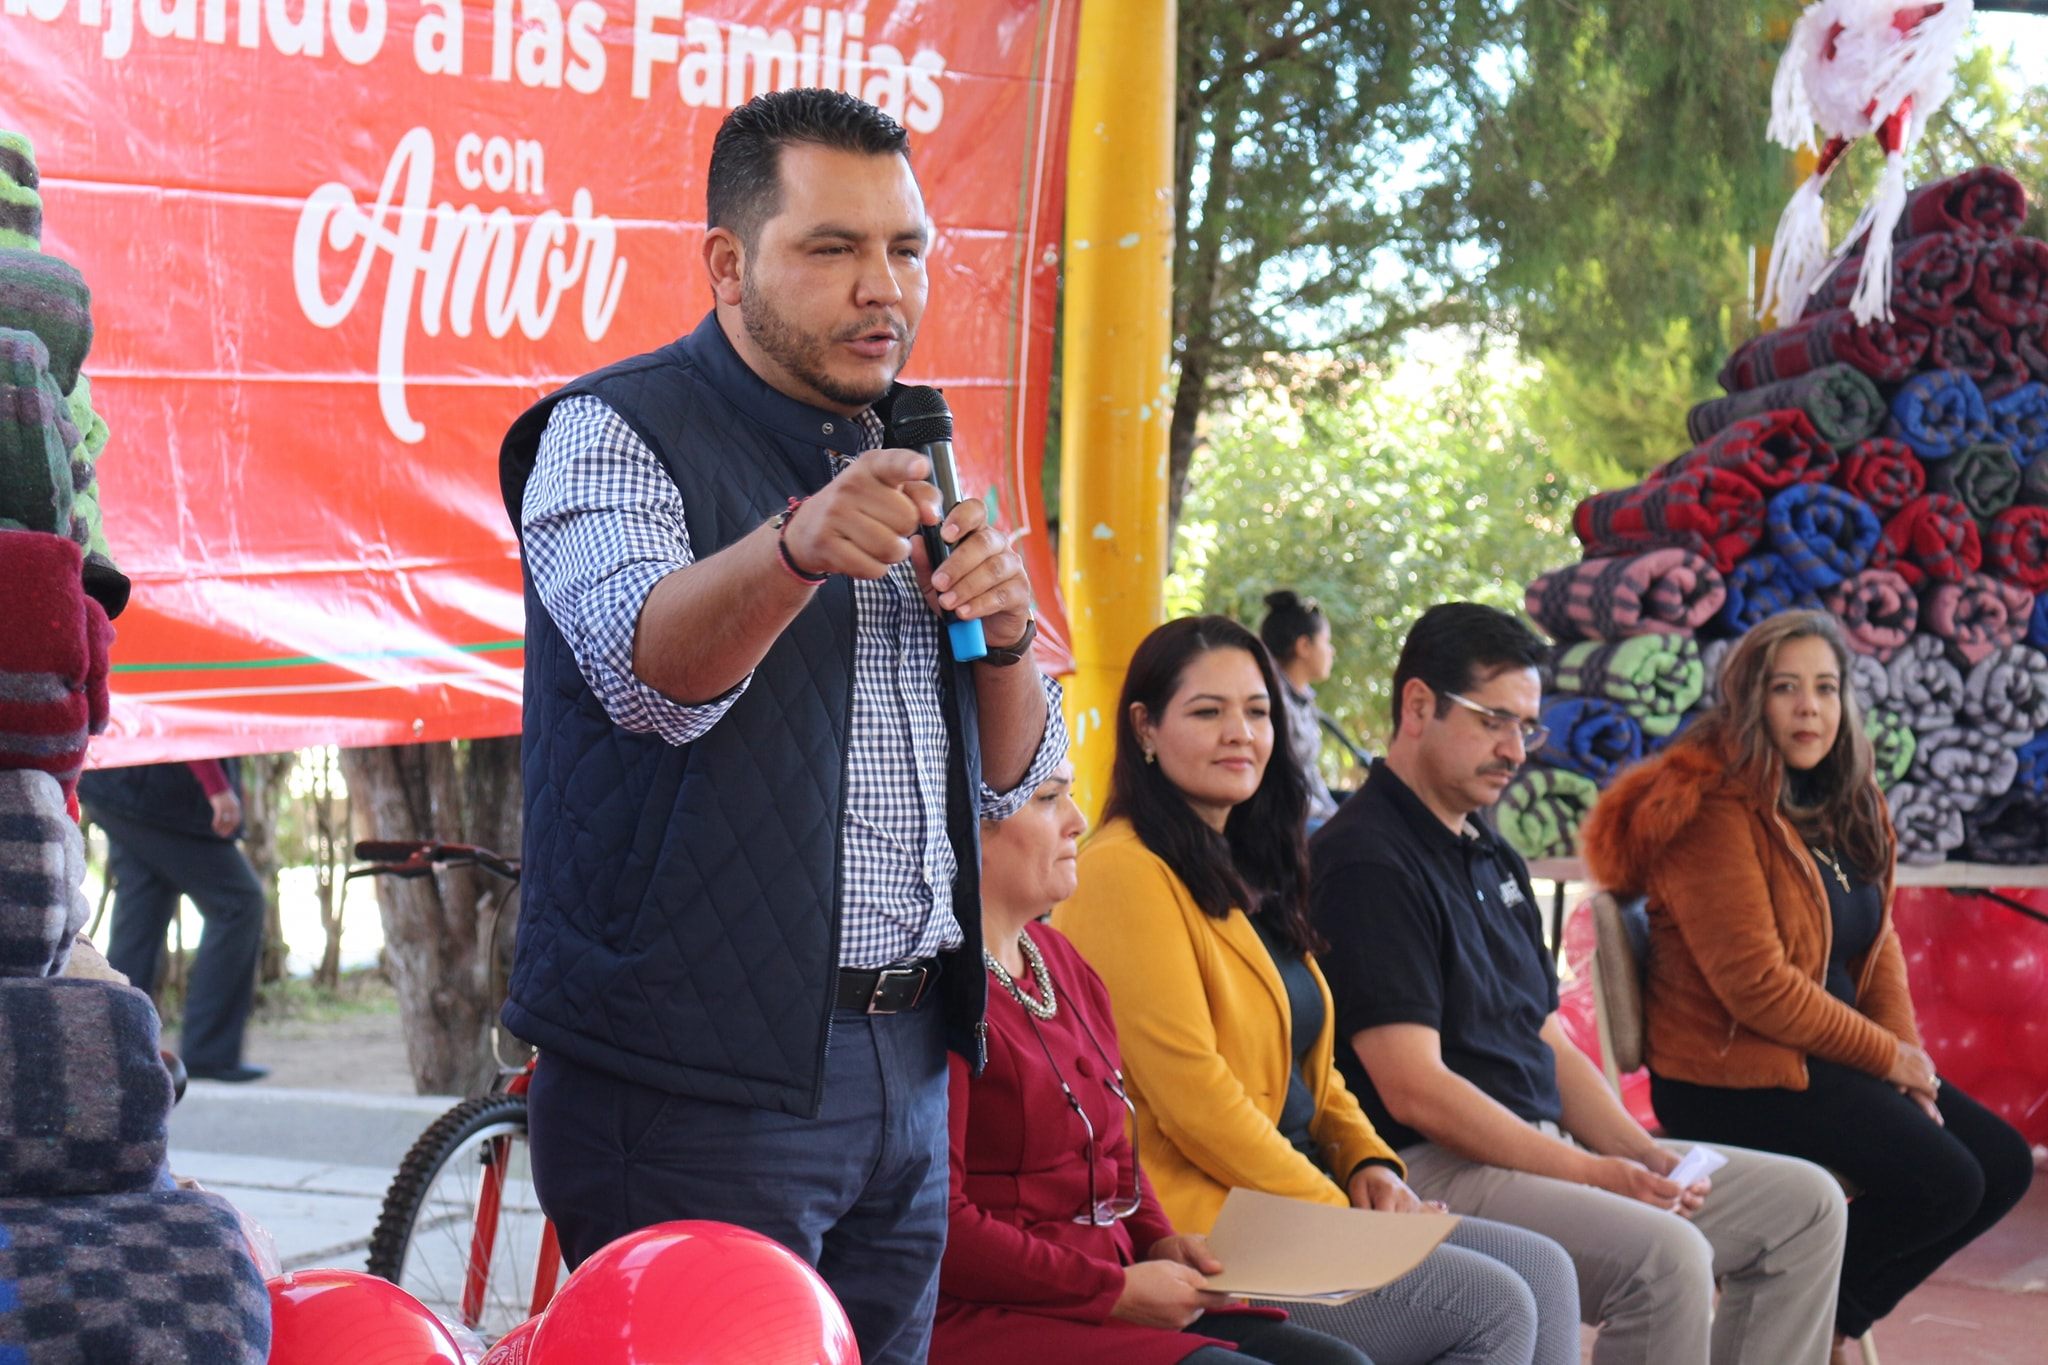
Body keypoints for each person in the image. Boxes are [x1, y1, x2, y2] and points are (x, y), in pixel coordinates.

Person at [495, 89, 1067, 1365]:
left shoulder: (914, 445)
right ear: (726, 263)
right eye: (832, 248)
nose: (884, 289)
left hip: (909, 1072)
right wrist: (792, 549)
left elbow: (1020, 778)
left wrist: (1008, 640)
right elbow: (649, 676)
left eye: (906, 249)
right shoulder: (608, 432)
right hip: (692, 1081)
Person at [1309, 602, 1850, 1365]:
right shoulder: (1368, 858)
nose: (1516, 749)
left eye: (1527, 727)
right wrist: (1594, 1173)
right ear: (1418, 705)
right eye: (1495, 720)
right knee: (1666, 1258)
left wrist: (1639, 1153)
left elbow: (1543, 1033)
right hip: (1433, 1162)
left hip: (1531, 1147)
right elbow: (1414, 1089)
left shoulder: (1484, 846)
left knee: (1807, 1206)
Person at [1055, 615, 1579, 1365]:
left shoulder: (1238, 862)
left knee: (1543, 1269)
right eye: (1208, 711)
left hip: (1299, 1198)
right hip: (1215, 1222)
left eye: (1258, 710)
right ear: (1145, 726)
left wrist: (1370, 1163)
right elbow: (1196, 1099)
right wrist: (1337, 1213)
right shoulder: (1124, 869)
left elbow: (1315, 1069)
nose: (1240, 732)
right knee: (1491, 1302)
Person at [1581, 609, 2032, 1359]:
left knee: (2002, 1165)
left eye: (1825, 687)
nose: (1808, 707)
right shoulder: (1712, 808)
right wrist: (1889, 1061)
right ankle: (1813, 1316)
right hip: (1731, 1074)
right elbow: (1757, 985)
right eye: (1785, 688)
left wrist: (1908, 1065)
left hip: (1819, 1058)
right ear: (1748, 701)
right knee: (1946, 1180)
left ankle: (1826, 1317)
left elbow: (1874, 945)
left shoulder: (1844, 797)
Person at [935, 761, 1369, 1365]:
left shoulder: (1060, 959)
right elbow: (944, 1225)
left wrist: (1159, 1240)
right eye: (1049, 800)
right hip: (1005, 1314)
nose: (1078, 822)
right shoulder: (939, 989)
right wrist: (1112, 1292)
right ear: (967, 826)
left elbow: (1116, 1151)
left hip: (1112, 1282)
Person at [77, 759, 268, 1082]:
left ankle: (110, 1050)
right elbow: (184, 723)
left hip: (116, 784)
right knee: (239, 902)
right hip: (153, 786)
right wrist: (217, 786)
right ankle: (208, 1051)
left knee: (144, 908)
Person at [1260, 590, 1343, 828]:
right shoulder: (1271, 701)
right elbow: (1283, 785)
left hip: (1305, 812)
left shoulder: (1302, 699)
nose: (1331, 651)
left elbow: (1308, 774)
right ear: (1304, 646)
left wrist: (1334, 814)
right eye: (1326, 642)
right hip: (1282, 819)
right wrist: (1331, 821)